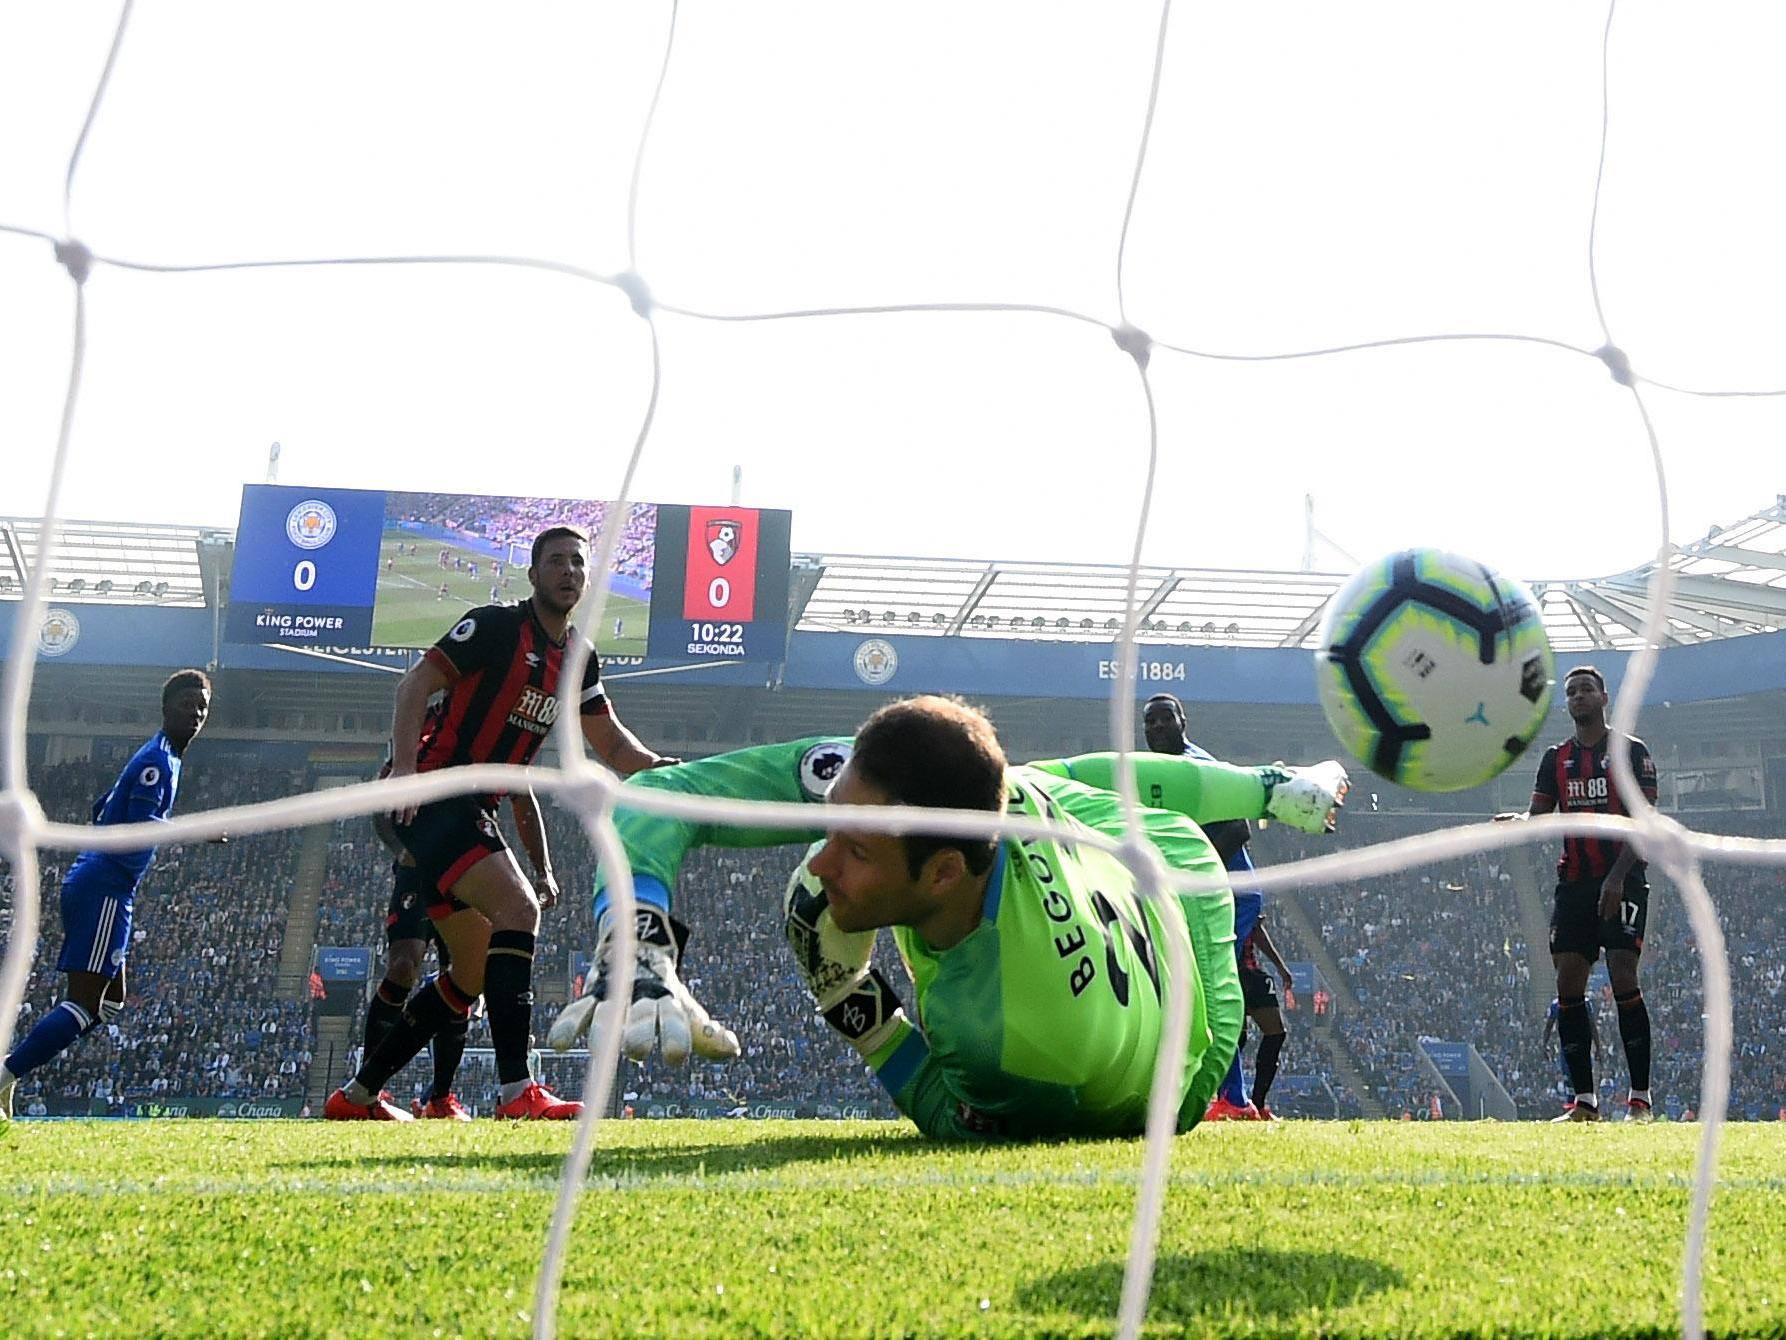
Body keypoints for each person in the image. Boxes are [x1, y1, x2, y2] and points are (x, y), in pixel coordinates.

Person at [554, 701, 1349, 1140]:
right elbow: (657, 802)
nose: (823, 861)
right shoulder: (956, 795)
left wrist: (850, 1007)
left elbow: (955, 1120)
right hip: (1129, 849)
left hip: (1184, 1002)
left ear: (939, 873)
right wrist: (640, 943)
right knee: (1053, 783)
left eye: (855, 850)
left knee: (1170, 1113)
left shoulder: (1005, 1035)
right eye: (830, 825)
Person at [325, 525, 673, 1122]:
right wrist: (406, 768)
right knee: (520, 911)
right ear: (533, 574)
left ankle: (354, 1098)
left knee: (472, 970)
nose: (568, 571)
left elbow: (613, 745)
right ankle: (518, 1093)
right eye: (556, 561)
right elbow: (415, 685)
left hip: (472, 808)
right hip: (436, 793)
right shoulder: (492, 627)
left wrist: (665, 772)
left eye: (577, 564)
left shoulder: (579, 660)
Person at [0, 670, 212, 1119]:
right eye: (187, 704)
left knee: (109, 1003)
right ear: (166, 707)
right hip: (104, 887)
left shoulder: (163, 757)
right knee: (84, 1002)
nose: (195, 713)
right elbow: (134, 825)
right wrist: (197, 831)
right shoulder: (158, 758)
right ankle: (6, 1075)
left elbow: (103, 805)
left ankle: (10, 1074)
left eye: (203, 707)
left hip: (108, 886)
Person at [1497, 665, 1659, 1122]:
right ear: (1566, 703)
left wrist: (1615, 878)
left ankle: (1640, 1099)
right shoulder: (1557, 758)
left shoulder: (1631, 752)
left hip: (1622, 876)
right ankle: (1584, 1103)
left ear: (1604, 698)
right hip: (1574, 882)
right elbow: (1540, 815)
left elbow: (1644, 821)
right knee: (1568, 981)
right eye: (1571, 692)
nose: (1578, 696)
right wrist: (1519, 822)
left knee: (1623, 974)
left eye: (1586, 689)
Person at [1142, 692, 1270, 1121]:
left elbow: (1239, 827)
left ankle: (1234, 1098)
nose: (1157, 728)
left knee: (1212, 990)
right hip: (1209, 894)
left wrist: (1195, 872)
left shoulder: (1201, 767)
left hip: (1231, 893)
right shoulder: (1157, 774)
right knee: (1204, 990)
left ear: (1184, 721)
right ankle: (1232, 1096)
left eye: (1165, 719)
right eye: (1150, 722)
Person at [1237, 913, 1297, 1119]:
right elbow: (1256, 930)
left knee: (1273, 1033)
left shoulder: (1243, 893)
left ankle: (1253, 1104)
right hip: (1234, 974)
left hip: (1243, 974)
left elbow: (1256, 930)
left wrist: (1281, 967)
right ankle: (1239, 1101)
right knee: (1239, 1038)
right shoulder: (1235, 891)